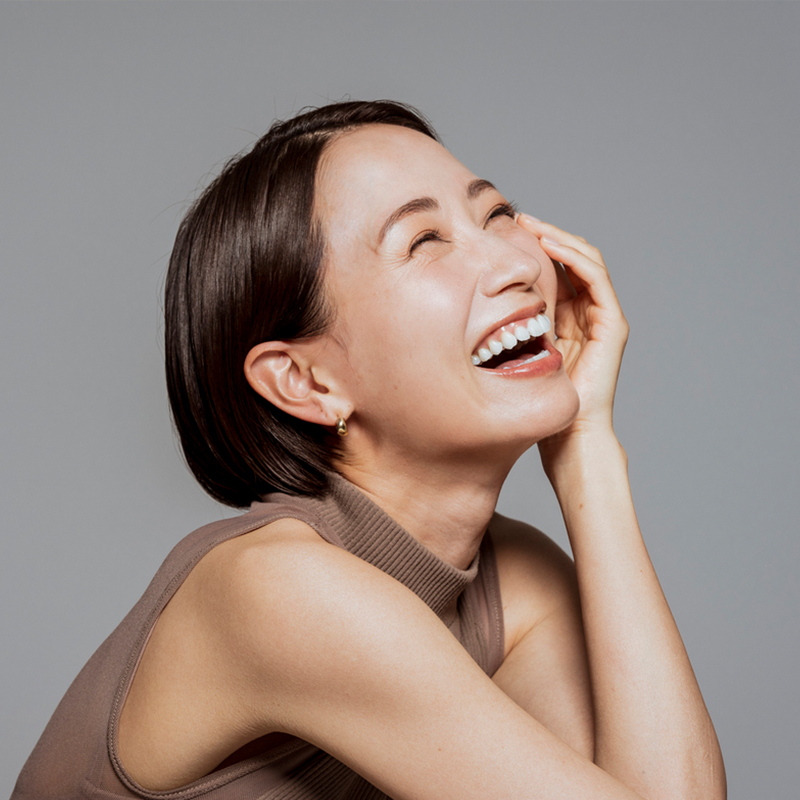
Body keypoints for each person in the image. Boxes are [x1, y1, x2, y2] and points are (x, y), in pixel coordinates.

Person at [12, 100, 725, 800]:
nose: (513, 262)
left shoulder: (517, 586)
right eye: (424, 241)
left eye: (497, 214)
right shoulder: (279, 589)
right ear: (306, 382)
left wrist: (587, 450)